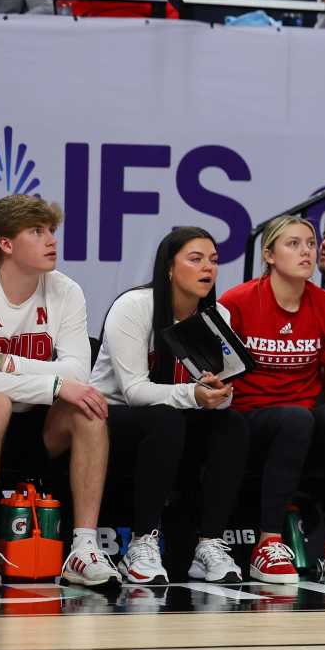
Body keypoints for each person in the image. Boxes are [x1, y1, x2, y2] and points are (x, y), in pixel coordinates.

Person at [89, 227, 250, 585]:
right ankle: (142, 543)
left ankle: (209, 544)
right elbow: (133, 391)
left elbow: (220, 394)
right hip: (111, 418)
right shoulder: (134, 306)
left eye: (213, 260)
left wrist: (218, 396)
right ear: (169, 268)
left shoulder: (218, 314)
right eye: (195, 259)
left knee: (232, 425)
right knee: (166, 419)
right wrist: (193, 395)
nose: (207, 268)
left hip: (174, 417)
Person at [219, 215, 325, 584]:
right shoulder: (236, 302)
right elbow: (217, 375)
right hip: (250, 420)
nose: (306, 251)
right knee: (295, 419)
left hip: (301, 422)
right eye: (293, 244)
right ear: (269, 255)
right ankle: (267, 544)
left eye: (310, 244)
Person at [0, 194, 121, 589]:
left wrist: (2, 363)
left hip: (42, 424)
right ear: (6, 244)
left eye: (51, 231)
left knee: (90, 406)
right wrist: (55, 381)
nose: (51, 240)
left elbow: (77, 372)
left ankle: (83, 548)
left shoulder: (66, 291)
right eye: (36, 231)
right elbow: (61, 378)